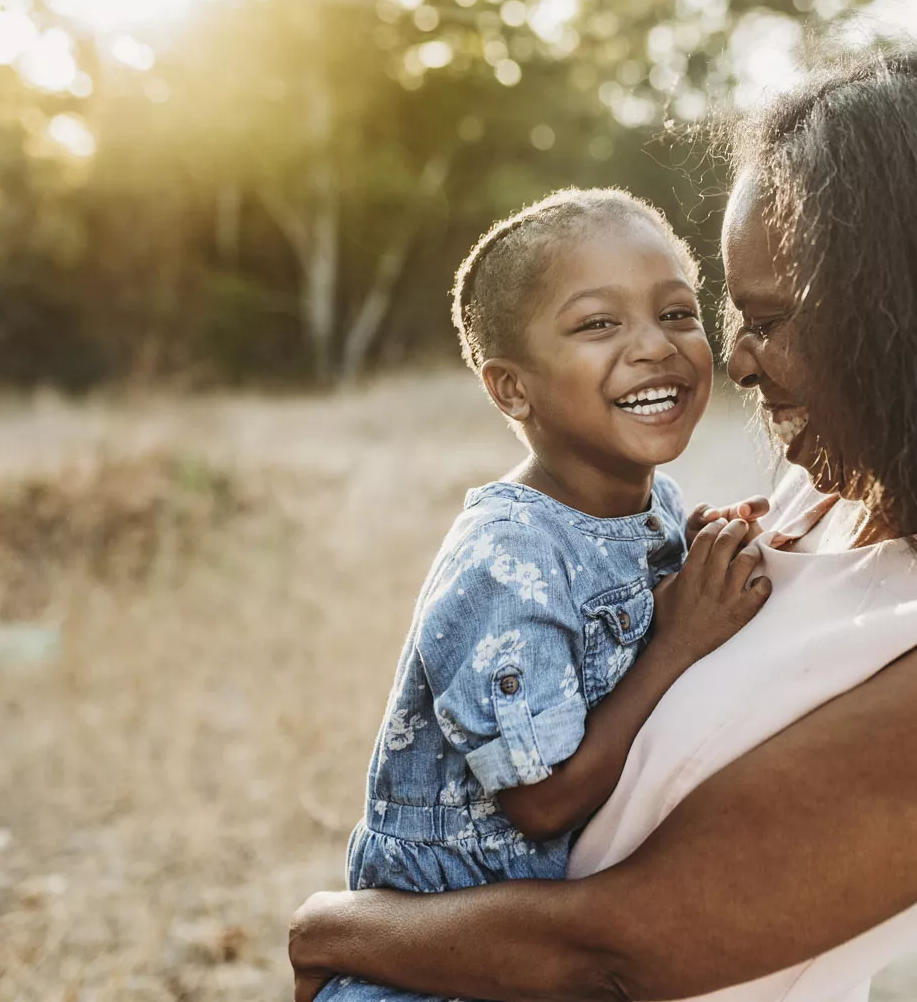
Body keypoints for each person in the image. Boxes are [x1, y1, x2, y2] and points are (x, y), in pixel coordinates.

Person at [290, 47, 917, 1002]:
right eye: (733, 317)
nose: (742, 361)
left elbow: (622, 956)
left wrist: (337, 929)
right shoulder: (824, 499)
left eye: (770, 317)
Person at [314, 187, 775, 1002]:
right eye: (599, 324)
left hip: (540, 954)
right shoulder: (508, 557)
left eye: (676, 312)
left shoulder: (650, 503)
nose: (653, 348)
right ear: (511, 389)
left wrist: (696, 548)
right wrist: (678, 641)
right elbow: (542, 800)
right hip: (434, 968)